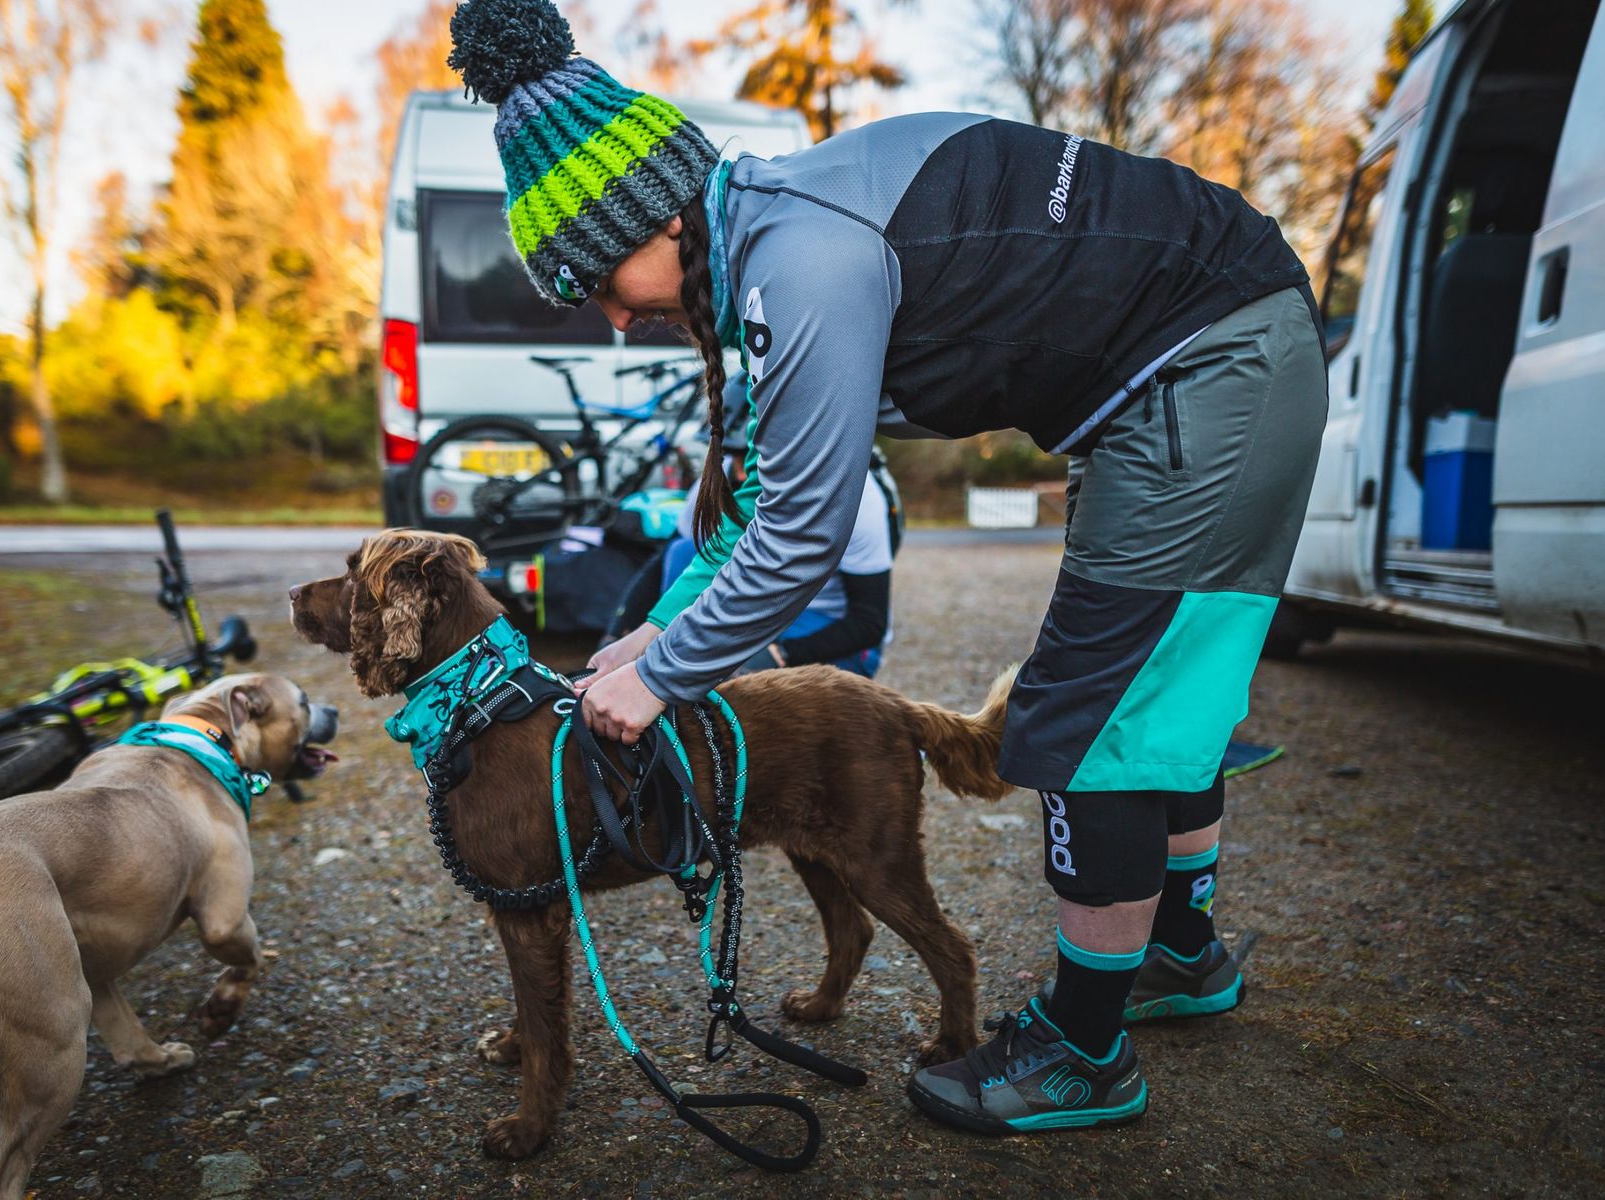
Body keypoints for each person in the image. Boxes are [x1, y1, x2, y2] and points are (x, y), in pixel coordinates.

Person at [447, 0, 1326, 1137]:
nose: (616, 318)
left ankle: (1083, 1052)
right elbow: (756, 501)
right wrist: (654, 630)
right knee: (1164, 696)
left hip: (1209, 364)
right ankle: (1181, 955)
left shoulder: (797, 259)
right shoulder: (771, 231)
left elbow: (801, 535)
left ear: (658, 214)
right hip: (1211, 352)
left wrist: (661, 679)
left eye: (602, 280)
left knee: (1091, 717)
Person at [606, 372, 896, 678]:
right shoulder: (719, 477)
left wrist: (783, 653)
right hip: (755, 601)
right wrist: (618, 635)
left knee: (731, 673)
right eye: (734, 458)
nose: (743, 474)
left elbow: (870, 621)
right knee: (683, 551)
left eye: (752, 459)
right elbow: (662, 562)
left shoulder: (856, 497)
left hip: (817, 616)